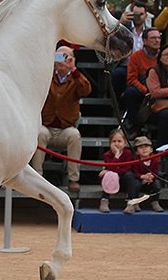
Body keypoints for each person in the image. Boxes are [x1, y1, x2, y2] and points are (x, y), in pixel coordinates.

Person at [30, 46, 92, 191]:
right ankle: (36, 177)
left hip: (65, 128)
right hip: (46, 126)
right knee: (40, 134)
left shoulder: (76, 79)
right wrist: (49, 65)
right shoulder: (47, 75)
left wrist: (74, 69)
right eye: (58, 57)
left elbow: (86, 90)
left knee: (75, 135)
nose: (61, 61)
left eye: (65, 57)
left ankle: (73, 179)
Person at [120, 28, 161, 130]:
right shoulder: (136, 56)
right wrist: (145, 90)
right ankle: (134, 127)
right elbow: (131, 79)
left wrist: (155, 91)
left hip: (159, 88)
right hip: (142, 87)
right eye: (153, 38)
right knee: (130, 93)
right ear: (144, 41)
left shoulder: (164, 55)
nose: (157, 40)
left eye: (158, 38)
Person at [97, 128, 136, 213]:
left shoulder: (128, 153)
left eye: (119, 141)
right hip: (112, 181)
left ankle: (131, 202)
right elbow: (111, 167)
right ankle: (104, 200)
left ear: (125, 143)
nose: (116, 144)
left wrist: (113, 170)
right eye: (114, 141)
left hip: (123, 181)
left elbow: (127, 168)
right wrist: (117, 156)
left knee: (129, 175)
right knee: (109, 175)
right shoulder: (107, 155)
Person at [128, 135, 165, 212]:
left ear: (151, 149)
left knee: (157, 184)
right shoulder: (135, 160)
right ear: (137, 151)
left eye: (146, 146)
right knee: (135, 184)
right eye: (141, 147)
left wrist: (151, 177)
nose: (144, 149)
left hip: (150, 181)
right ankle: (135, 201)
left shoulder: (155, 160)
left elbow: (156, 172)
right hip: (139, 180)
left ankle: (155, 202)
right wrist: (142, 176)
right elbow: (134, 172)